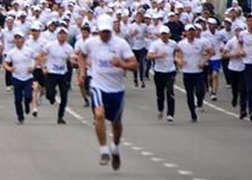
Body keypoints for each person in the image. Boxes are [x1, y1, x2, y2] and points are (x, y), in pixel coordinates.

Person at [78, 15, 137, 171]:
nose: (105, 35)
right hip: (98, 84)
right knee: (98, 114)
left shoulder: (121, 44)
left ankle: (115, 149)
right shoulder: (91, 43)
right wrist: (82, 72)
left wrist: (122, 63)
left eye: (107, 32)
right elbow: (81, 55)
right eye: (102, 32)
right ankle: (104, 150)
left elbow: (135, 65)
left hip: (116, 88)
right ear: (98, 30)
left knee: (116, 124)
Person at [175, 24, 213, 122]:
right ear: (185, 32)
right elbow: (176, 55)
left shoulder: (200, 43)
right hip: (187, 72)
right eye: (189, 31)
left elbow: (210, 52)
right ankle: (192, 113)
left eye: (192, 31)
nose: (191, 33)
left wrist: (204, 62)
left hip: (198, 71)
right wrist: (180, 61)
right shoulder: (181, 44)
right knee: (189, 93)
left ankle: (200, 101)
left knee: (200, 90)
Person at [38, 26, 73, 124]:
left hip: (63, 73)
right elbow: (40, 56)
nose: (62, 36)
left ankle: (60, 116)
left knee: (64, 96)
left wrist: (75, 62)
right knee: (49, 94)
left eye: (64, 34)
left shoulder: (69, 48)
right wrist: (43, 67)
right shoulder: (50, 45)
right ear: (57, 35)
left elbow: (72, 59)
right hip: (51, 73)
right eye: (60, 34)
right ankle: (52, 97)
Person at [2, 29, 35, 124]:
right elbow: (5, 63)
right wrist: (9, 69)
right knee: (17, 99)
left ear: (23, 40)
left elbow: (36, 59)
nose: (17, 40)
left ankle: (27, 104)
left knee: (28, 96)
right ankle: (20, 117)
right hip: (16, 77)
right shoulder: (11, 52)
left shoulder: (29, 51)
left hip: (28, 77)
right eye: (15, 38)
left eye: (19, 38)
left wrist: (32, 67)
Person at [146, 25, 177, 122]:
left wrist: (178, 60)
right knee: (160, 94)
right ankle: (160, 109)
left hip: (170, 71)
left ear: (169, 35)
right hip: (159, 71)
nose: (164, 36)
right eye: (163, 34)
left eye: (166, 34)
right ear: (160, 35)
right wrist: (158, 55)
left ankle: (170, 114)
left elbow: (178, 51)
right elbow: (148, 56)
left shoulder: (173, 43)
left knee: (170, 91)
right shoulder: (155, 44)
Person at [222, 24, 247, 120]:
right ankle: (234, 96)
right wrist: (234, 55)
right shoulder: (231, 42)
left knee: (243, 90)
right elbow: (224, 55)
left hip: (244, 68)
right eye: (237, 30)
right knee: (235, 88)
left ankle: (243, 110)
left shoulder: (246, 40)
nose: (239, 32)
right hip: (233, 68)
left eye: (240, 30)